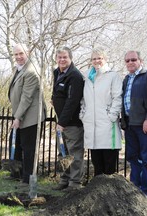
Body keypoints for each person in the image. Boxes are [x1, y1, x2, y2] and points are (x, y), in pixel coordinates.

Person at [121, 50, 147, 197]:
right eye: (127, 61)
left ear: (140, 60)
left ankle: (146, 194)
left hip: (145, 125)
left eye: (133, 59)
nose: (130, 62)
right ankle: (135, 192)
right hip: (130, 125)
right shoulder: (126, 79)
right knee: (133, 158)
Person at [80, 47, 122, 176]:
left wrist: (111, 116)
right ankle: (97, 193)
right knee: (96, 163)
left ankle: (110, 193)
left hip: (107, 123)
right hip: (91, 124)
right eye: (94, 58)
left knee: (109, 164)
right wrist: (83, 114)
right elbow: (82, 99)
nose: (97, 61)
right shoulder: (86, 76)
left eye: (100, 58)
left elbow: (117, 97)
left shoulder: (112, 75)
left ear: (105, 59)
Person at [8, 43, 46, 184]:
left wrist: (17, 117)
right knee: (16, 144)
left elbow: (26, 97)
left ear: (28, 53)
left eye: (21, 54)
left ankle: (28, 178)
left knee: (29, 148)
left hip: (31, 117)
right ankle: (17, 174)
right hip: (21, 114)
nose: (18, 57)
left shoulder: (30, 71)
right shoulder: (19, 69)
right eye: (16, 54)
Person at [52, 46, 84, 191]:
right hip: (61, 122)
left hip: (72, 123)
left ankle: (74, 183)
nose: (62, 60)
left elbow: (72, 101)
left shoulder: (75, 76)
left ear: (70, 58)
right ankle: (64, 180)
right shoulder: (57, 73)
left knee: (74, 153)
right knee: (63, 153)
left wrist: (62, 122)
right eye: (59, 57)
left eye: (65, 57)